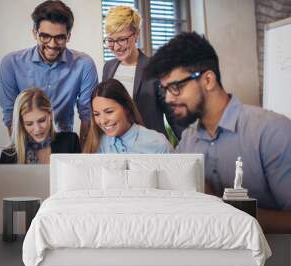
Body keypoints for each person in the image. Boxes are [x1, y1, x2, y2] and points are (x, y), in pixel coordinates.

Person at [145, 32, 291, 233]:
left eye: (176, 87)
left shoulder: (271, 132)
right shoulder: (189, 141)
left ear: (208, 80)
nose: (169, 98)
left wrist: (223, 210)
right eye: (165, 90)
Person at [0, 0, 98, 144]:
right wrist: (22, 151)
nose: (52, 45)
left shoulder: (84, 65)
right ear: (34, 33)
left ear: (68, 36)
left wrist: (81, 153)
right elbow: (10, 114)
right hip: (26, 142)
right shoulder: (11, 64)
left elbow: (87, 114)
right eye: (45, 36)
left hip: (66, 143)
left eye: (60, 37)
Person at [102, 5, 182, 140]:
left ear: (136, 35)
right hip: (117, 148)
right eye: (110, 40)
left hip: (149, 148)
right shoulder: (108, 68)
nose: (116, 47)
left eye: (122, 39)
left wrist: (191, 147)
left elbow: (173, 114)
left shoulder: (155, 68)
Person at [83, 79, 172, 154]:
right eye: (96, 114)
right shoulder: (97, 145)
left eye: (109, 112)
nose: (102, 121)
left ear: (127, 108)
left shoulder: (157, 143)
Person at [0, 88, 81, 164]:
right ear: (21, 124)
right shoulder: (8, 156)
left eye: (42, 120)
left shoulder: (70, 142)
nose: (37, 129)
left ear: (51, 115)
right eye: (29, 124)